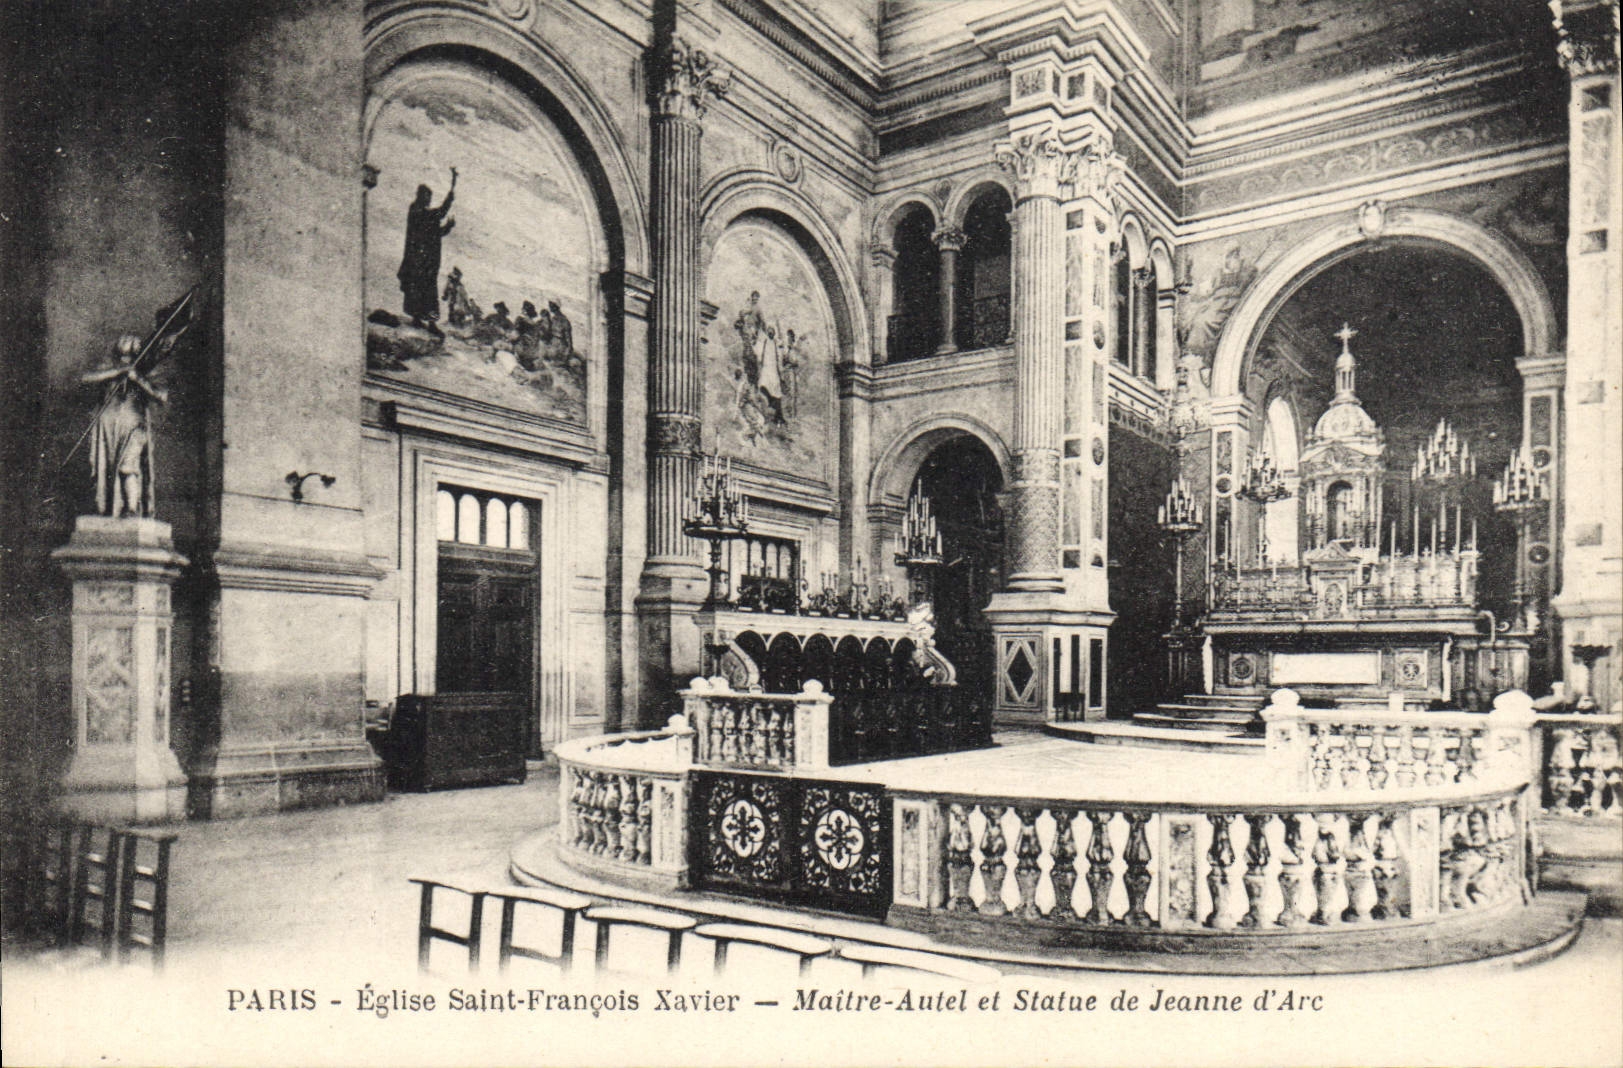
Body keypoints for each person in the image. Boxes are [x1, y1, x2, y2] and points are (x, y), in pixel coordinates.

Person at [81, 333, 170, 517]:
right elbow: (86, 378)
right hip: (106, 424)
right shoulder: (110, 367)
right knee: (102, 469)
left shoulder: (147, 370)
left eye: (129, 355)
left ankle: (130, 508)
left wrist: (137, 378)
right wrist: (118, 372)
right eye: (122, 356)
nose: (125, 359)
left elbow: (161, 395)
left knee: (128, 466)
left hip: (133, 425)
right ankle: (103, 508)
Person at [397, 168, 457, 334]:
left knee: (427, 289)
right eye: (426, 197)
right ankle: (421, 319)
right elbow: (436, 215)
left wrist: (448, 227)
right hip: (418, 260)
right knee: (421, 289)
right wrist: (449, 200)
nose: (428, 200)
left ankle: (428, 321)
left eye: (429, 198)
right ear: (420, 196)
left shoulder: (422, 213)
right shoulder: (416, 211)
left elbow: (436, 232)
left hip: (427, 260)